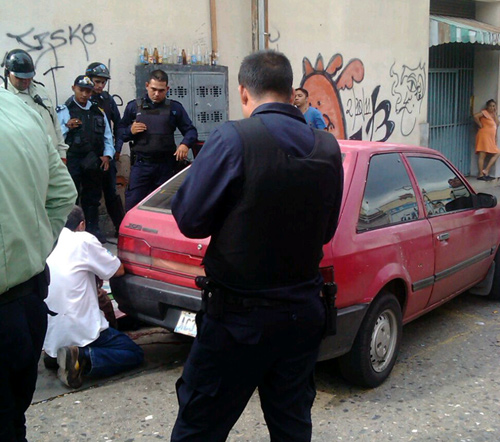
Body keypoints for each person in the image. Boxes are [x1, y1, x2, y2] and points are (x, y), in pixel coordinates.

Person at [170, 50, 344, 441]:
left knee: (198, 428)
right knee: (291, 427)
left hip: (237, 320)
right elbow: (327, 230)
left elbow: (189, 219)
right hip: (301, 314)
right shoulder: (327, 147)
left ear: (244, 92)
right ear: (289, 91)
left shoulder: (234, 138)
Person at [0, 87, 76, 442]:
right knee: (15, 419)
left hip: (21, 301)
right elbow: (63, 194)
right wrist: (34, 249)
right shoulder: (23, 111)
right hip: (25, 304)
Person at [43, 206, 144, 389]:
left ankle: (55, 355)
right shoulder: (83, 239)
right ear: (82, 225)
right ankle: (82, 357)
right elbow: (117, 270)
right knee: (133, 352)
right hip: (80, 330)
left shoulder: (47, 240)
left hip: (50, 336)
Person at [118, 69, 198, 211]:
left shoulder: (174, 108)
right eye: (153, 89)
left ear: (167, 89)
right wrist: (130, 130)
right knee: (133, 207)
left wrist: (185, 144)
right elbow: (120, 133)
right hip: (142, 165)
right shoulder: (134, 107)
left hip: (166, 167)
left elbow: (191, 131)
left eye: (161, 90)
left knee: (166, 207)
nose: (156, 94)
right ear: (147, 85)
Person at [57, 75, 115, 243]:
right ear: (73, 88)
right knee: (71, 197)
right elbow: (55, 136)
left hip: (93, 160)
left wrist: (107, 155)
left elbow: (107, 136)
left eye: (87, 91)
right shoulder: (64, 110)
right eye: (81, 90)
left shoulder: (98, 111)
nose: (84, 94)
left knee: (92, 198)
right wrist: (66, 126)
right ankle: (69, 232)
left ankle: (92, 230)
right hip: (72, 160)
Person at [2, 48, 69, 161]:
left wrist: (62, 153)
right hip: (29, 162)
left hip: (53, 158)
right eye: (20, 78)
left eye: (29, 77)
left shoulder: (41, 90)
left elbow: (55, 123)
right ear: (8, 73)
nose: (26, 81)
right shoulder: (4, 98)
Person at [85, 62, 125, 236]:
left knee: (112, 194)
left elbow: (119, 125)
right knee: (90, 195)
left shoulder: (108, 100)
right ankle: (92, 232)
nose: (100, 85)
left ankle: (121, 229)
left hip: (106, 153)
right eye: (96, 81)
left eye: (103, 82)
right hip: (88, 156)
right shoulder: (81, 98)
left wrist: (116, 149)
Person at [474, 99, 500, 181]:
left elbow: (497, 124)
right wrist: (480, 124)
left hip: (490, 138)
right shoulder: (484, 112)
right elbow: (475, 116)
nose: (492, 107)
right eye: (490, 106)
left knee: (497, 153)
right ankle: (480, 174)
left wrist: (495, 113)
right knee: (483, 155)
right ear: (487, 106)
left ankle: (486, 170)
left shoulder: (493, 115)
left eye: (494, 106)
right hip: (484, 136)